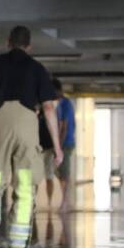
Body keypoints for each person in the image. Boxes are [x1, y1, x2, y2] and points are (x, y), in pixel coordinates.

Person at [0, 26, 61, 248]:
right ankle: (17, 244)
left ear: (8, 42)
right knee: (24, 182)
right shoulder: (37, 69)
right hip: (26, 123)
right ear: (29, 46)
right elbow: (49, 109)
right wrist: (58, 147)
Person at [52, 78, 76, 211]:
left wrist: (58, 147)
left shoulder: (65, 104)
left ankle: (65, 203)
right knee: (59, 172)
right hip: (63, 143)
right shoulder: (60, 103)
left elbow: (64, 126)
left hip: (66, 143)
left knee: (64, 173)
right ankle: (65, 201)